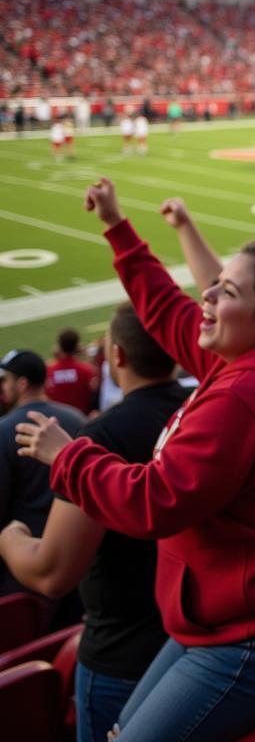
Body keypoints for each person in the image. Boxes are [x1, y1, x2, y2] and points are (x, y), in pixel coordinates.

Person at [14, 179, 255, 742]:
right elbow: (163, 308)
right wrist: (117, 227)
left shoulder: (243, 395)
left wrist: (69, 456)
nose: (206, 297)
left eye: (225, 292)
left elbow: (155, 503)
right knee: (120, 728)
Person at [0, 306, 189, 742]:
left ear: (116, 357)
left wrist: (10, 537)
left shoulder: (100, 436)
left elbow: (51, 575)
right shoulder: (202, 411)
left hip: (121, 656)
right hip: (187, 639)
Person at [0, 350, 86, 596]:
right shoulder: (75, 417)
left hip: (24, 560)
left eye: (6, 379)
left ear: (22, 383)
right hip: (76, 556)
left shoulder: (4, 429)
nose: (3, 387)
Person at [46, 328, 99, 416]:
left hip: (57, 420)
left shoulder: (49, 371)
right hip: (83, 419)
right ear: (77, 346)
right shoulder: (86, 370)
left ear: (59, 346)